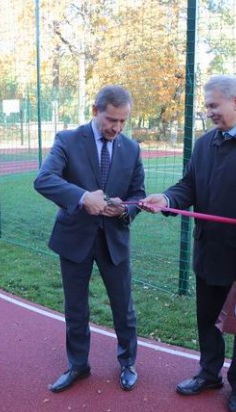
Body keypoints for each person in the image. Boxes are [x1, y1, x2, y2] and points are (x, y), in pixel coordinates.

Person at [140, 75, 236, 412]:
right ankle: (209, 374)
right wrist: (167, 199)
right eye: (206, 106)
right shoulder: (205, 143)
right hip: (208, 253)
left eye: (213, 105)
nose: (208, 112)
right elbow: (189, 186)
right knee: (207, 319)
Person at [34, 85, 145, 393]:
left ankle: (127, 362)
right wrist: (84, 197)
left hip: (114, 240)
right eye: (111, 120)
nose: (117, 128)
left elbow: (138, 194)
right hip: (75, 239)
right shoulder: (68, 140)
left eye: (123, 121)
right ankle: (78, 365)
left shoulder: (132, 149)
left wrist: (126, 209)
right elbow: (44, 180)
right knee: (76, 308)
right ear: (95, 111)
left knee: (123, 307)